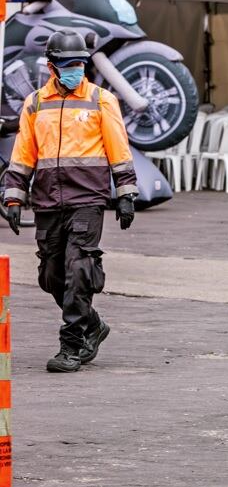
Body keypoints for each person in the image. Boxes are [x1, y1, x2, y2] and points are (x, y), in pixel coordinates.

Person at [2, 31, 137, 373]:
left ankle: (72, 345)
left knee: (79, 269)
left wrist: (126, 193)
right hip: (47, 200)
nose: (76, 68)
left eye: (80, 63)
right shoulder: (35, 103)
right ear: (52, 66)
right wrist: (14, 196)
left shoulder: (100, 100)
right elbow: (23, 154)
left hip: (87, 199)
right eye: (68, 64)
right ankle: (92, 324)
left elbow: (118, 149)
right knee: (51, 276)